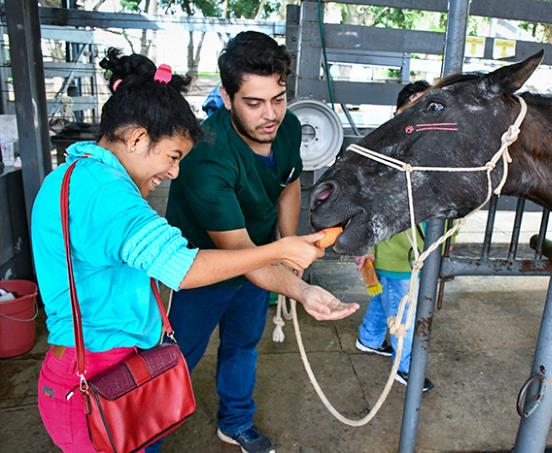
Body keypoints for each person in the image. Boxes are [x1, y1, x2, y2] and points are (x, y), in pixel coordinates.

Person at [31, 48, 358, 453]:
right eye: (171, 157)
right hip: (97, 374)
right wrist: (280, 250)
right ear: (136, 138)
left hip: (94, 360)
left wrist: (293, 272)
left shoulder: (71, 176)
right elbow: (182, 269)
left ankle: (228, 421)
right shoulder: (109, 196)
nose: (174, 173)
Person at [158, 31, 330, 453]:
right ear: (227, 95)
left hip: (262, 262)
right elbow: (239, 256)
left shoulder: (288, 128)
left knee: (243, 344)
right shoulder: (207, 155)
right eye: (253, 103)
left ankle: (235, 421)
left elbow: (289, 183)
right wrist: (301, 287)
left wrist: (287, 246)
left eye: (278, 98)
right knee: (176, 361)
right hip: (204, 270)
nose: (270, 114)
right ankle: (145, 439)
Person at [354, 80, 435, 393]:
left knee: (383, 299)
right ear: (400, 114)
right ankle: (406, 368)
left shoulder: (431, 154)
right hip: (399, 253)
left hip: (404, 251)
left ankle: (369, 339)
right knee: (405, 315)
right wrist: (366, 247)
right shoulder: (387, 155)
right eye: (413, 107)